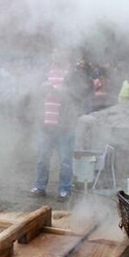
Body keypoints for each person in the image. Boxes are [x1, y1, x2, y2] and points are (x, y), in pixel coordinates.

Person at [29, 49, 86, 201]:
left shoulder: (73, 74)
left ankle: (65, 189)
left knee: (65, 160)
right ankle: (40, 187)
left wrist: (57, 92)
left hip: (65, 126)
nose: (55, 55)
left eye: (59, 52)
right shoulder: (46, 71)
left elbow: (77, 96)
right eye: (54, 52)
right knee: (42, 158)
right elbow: (35, 93)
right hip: (45, 124)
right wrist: (41, 90)